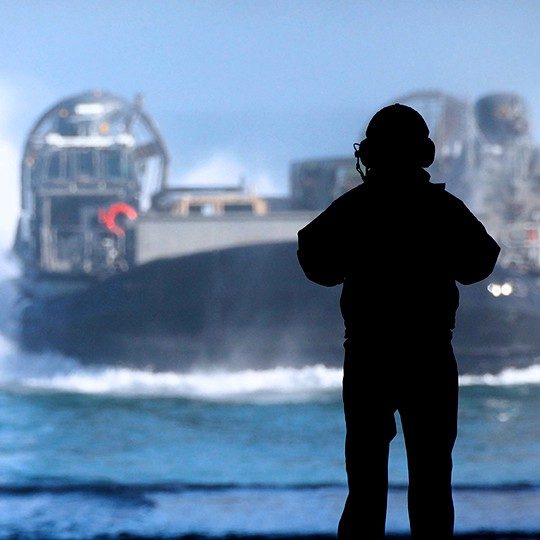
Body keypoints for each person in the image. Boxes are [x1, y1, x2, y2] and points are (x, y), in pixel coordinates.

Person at [296, 104, 500, 539]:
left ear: (368, 155)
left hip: (369, 355)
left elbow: (316, 263)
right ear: (424, 154)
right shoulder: (443, 208)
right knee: (431, 483)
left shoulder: (354, 208)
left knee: (365, 487)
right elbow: (481, 262)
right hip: (429, 355)